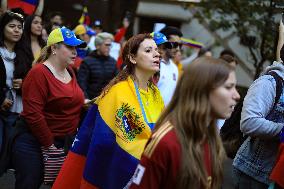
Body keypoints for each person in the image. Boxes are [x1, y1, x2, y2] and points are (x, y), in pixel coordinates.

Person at [52, 33, 164, 189]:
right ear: (132, 58)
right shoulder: (118, 92)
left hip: (147, 169)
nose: (157, 54)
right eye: (148, 50)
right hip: (118, 172)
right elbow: (120, 141)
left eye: (157, 50)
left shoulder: (155, 93)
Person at [129, 57, 240, 189]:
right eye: (228, 87)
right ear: (201, 90)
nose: (237, 95)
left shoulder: (210, 137)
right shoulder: (166, 142)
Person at [11, 27, 86, 189]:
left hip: (61, 144)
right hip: (34, 143)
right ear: (54, 48)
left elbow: (72, 100)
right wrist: (50, 146)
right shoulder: (38, 73)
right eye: (70, 47)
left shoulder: (71, 71)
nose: (75, 52)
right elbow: (33, 114)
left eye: (76, 48)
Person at [232, 20, 284, 189]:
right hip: (253, 174)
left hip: (276, 176)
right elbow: (248, 122)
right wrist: (282, 129)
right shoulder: (270, 82)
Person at [77, 32, 118, 102]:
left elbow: (117, 82)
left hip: (108, 101)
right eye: (106, 45)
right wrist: (86, 100)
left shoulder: (113, 62)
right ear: (98, 46)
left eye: (110, 45)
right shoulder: (87, 62)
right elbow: (82, 84)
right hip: (91, 102)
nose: (109, 48)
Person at [158, 26, 182, 106]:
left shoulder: (174, 68)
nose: (178, 49)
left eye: (180, 45)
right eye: (175, 44)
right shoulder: (153, 65)